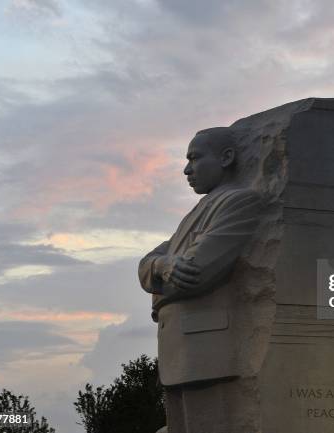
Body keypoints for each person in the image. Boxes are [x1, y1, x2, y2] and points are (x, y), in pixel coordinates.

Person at [138, 127, 263, 433]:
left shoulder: (238, 202)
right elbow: (145, 266)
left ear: (226, 158)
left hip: (206, 352)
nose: (186, 169)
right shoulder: (195, 214)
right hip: (179, 352)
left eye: (195, 158)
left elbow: (195, 274)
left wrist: (160, 275)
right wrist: (163, 265)